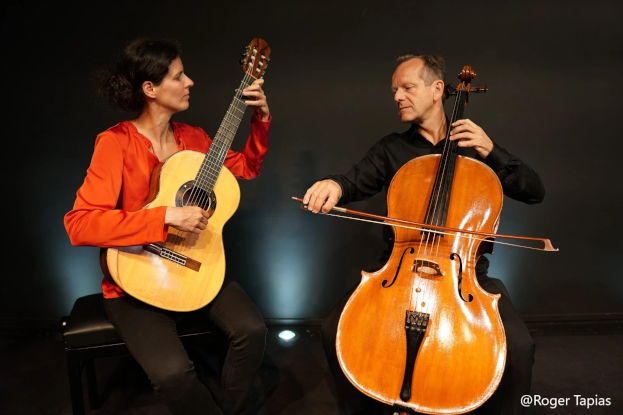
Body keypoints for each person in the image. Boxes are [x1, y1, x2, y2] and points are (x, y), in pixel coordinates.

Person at [303, 54, 544, 415]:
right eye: (394, 90)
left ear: (436, 90)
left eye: (406, 87)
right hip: (399, 268)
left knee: (520, 348)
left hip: (464, 278)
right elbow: (353, 181)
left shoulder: (476, 149)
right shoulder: (392, 148)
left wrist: (493, 151)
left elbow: (534, 191)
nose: (397, 96)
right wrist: (333, 186)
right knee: (331, 331)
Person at [64, 38, 271, 415]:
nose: (190, 81)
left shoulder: (194, 139)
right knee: (174, 374)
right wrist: (165, 216)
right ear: (150, 89)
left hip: (196, 265)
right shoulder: (115, 144)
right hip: (136, 278)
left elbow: (247, 168)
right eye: (178, 76)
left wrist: (261, 119)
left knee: (253, 331)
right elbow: (80, 225)